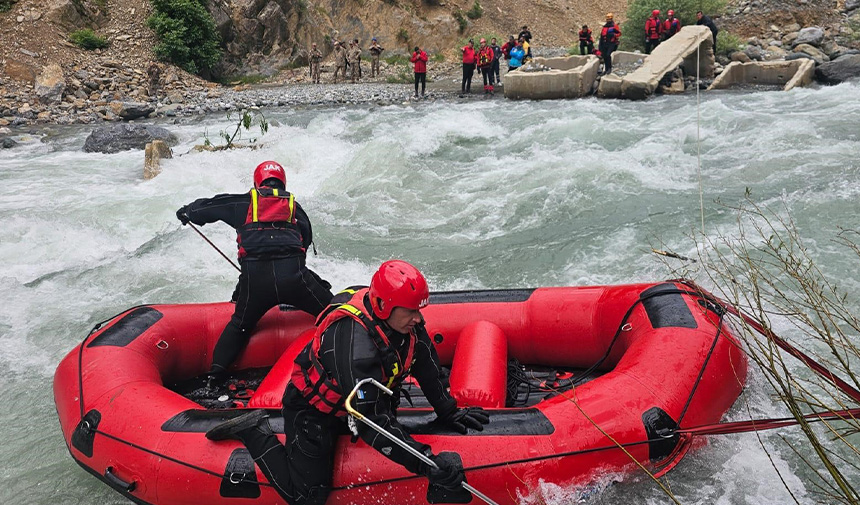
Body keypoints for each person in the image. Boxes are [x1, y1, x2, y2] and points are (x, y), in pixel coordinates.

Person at [204, 260, 491, 505]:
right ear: (382, 306)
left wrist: (448, 411)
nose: (419, 318)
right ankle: (254, 430)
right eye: (411, 312)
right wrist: (426, 464)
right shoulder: (357, 348)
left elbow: (426, 363)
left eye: (419, 310)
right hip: (314, 410)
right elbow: (372, 423)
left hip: (356, 398)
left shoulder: (405, 322)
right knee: (307, 496)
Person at [176, 161, 334, 381]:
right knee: (335, 311)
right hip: (296, 282)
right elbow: (304, 242)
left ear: (256, 182)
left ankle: (215, 376)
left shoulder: (242, 203)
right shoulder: (295, 208)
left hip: (255, 287)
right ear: (283, 183)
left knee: (239, 325)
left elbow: (208, 207)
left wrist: (187, 212)